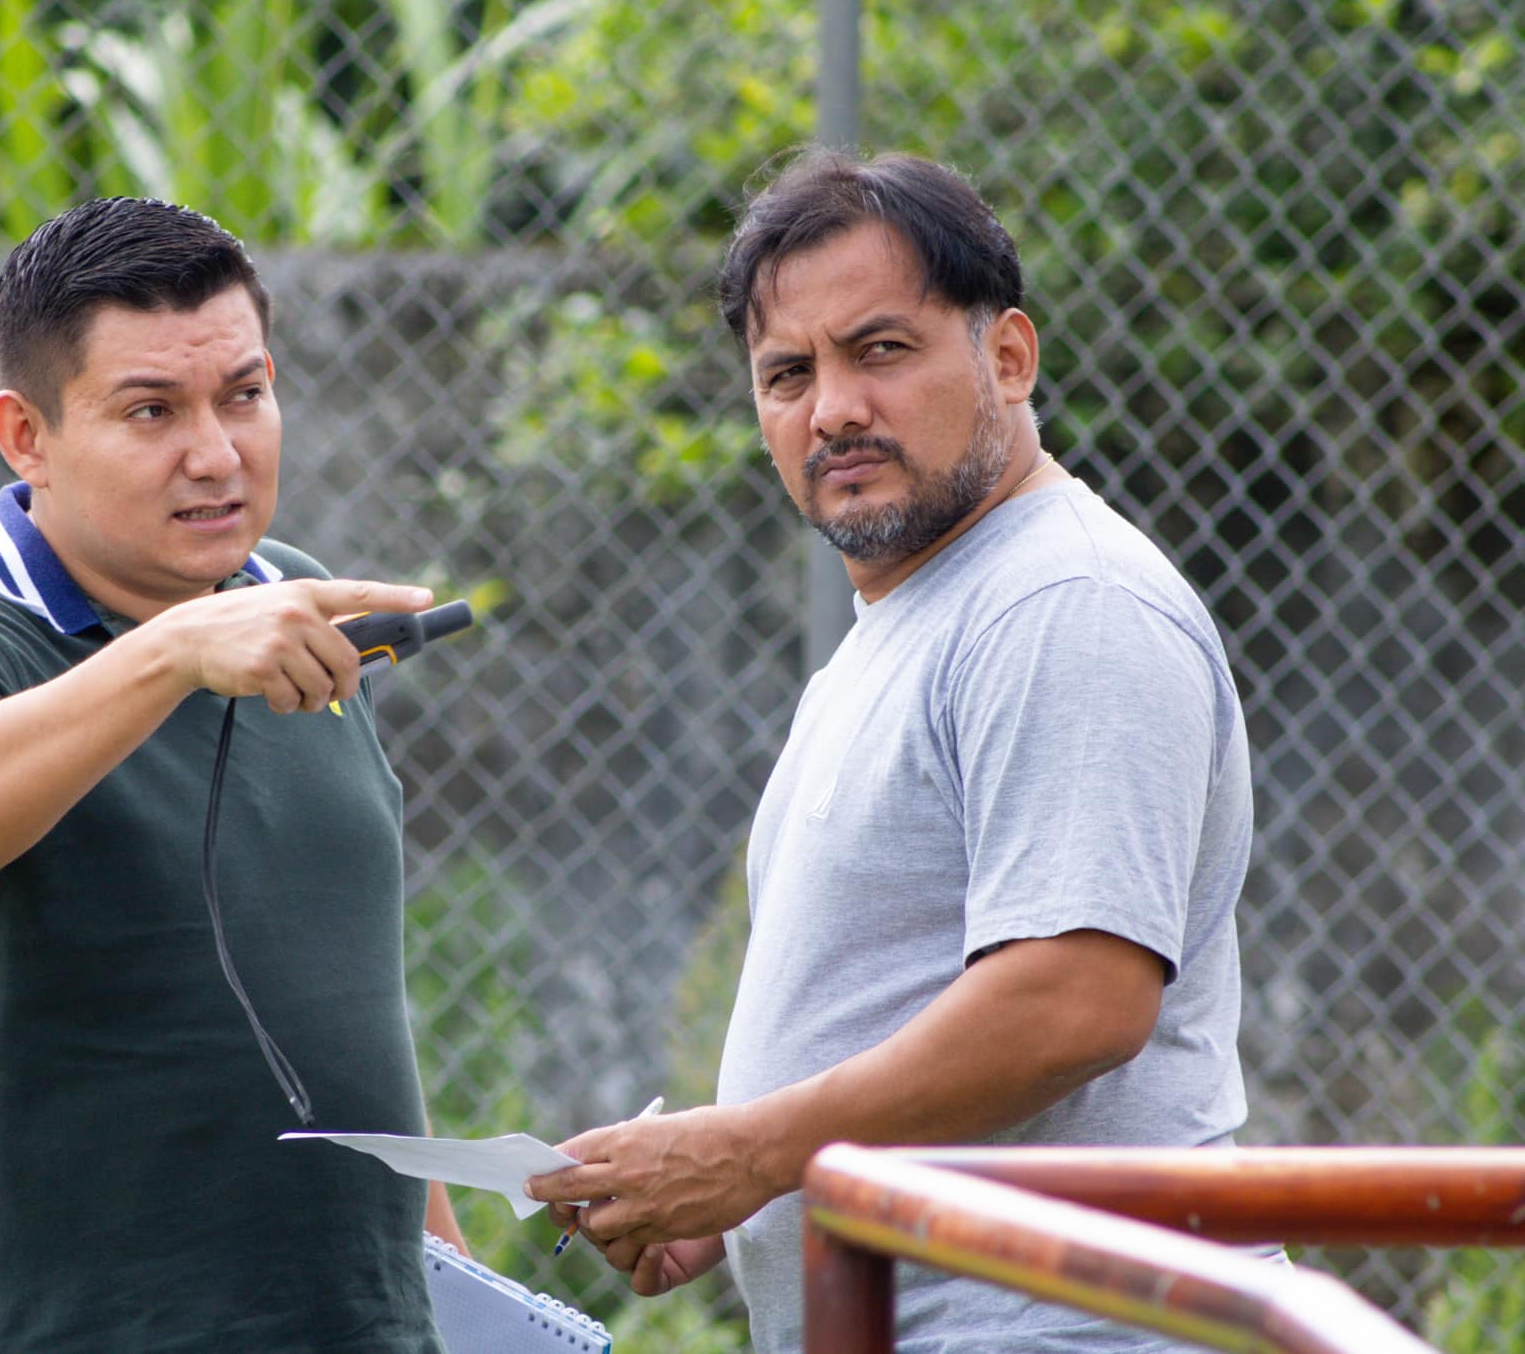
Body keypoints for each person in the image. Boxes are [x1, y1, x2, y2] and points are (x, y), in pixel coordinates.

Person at [525, 149, 1260, 1351]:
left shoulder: (1062, 601)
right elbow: (899, 1006)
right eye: (786, 373)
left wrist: (750, 1150)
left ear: (1006, 357)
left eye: (878, 350)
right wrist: (728, 1190)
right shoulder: (913, 620)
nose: (831, 410)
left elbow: (1073, 998)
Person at [0, 196, 461, 1352]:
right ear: (26, 436)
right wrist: (172, 652)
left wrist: (448, 1288)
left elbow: (344, 1004)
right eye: (150, 410)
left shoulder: (293, 604)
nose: (216, 454)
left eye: (245, 394)